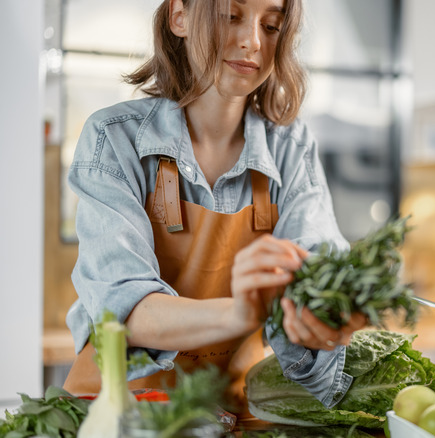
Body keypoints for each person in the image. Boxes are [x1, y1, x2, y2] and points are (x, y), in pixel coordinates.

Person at [62, 0, 367, 416]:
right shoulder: (113, 139)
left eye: (272, 25)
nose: (252, 41)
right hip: (122, 414)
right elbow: (124, 309)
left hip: (232, 416)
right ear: (179, 16)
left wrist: (328, 312)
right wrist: (241, 312)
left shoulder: (291, 149)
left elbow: (320, 267)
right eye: (231, 16)